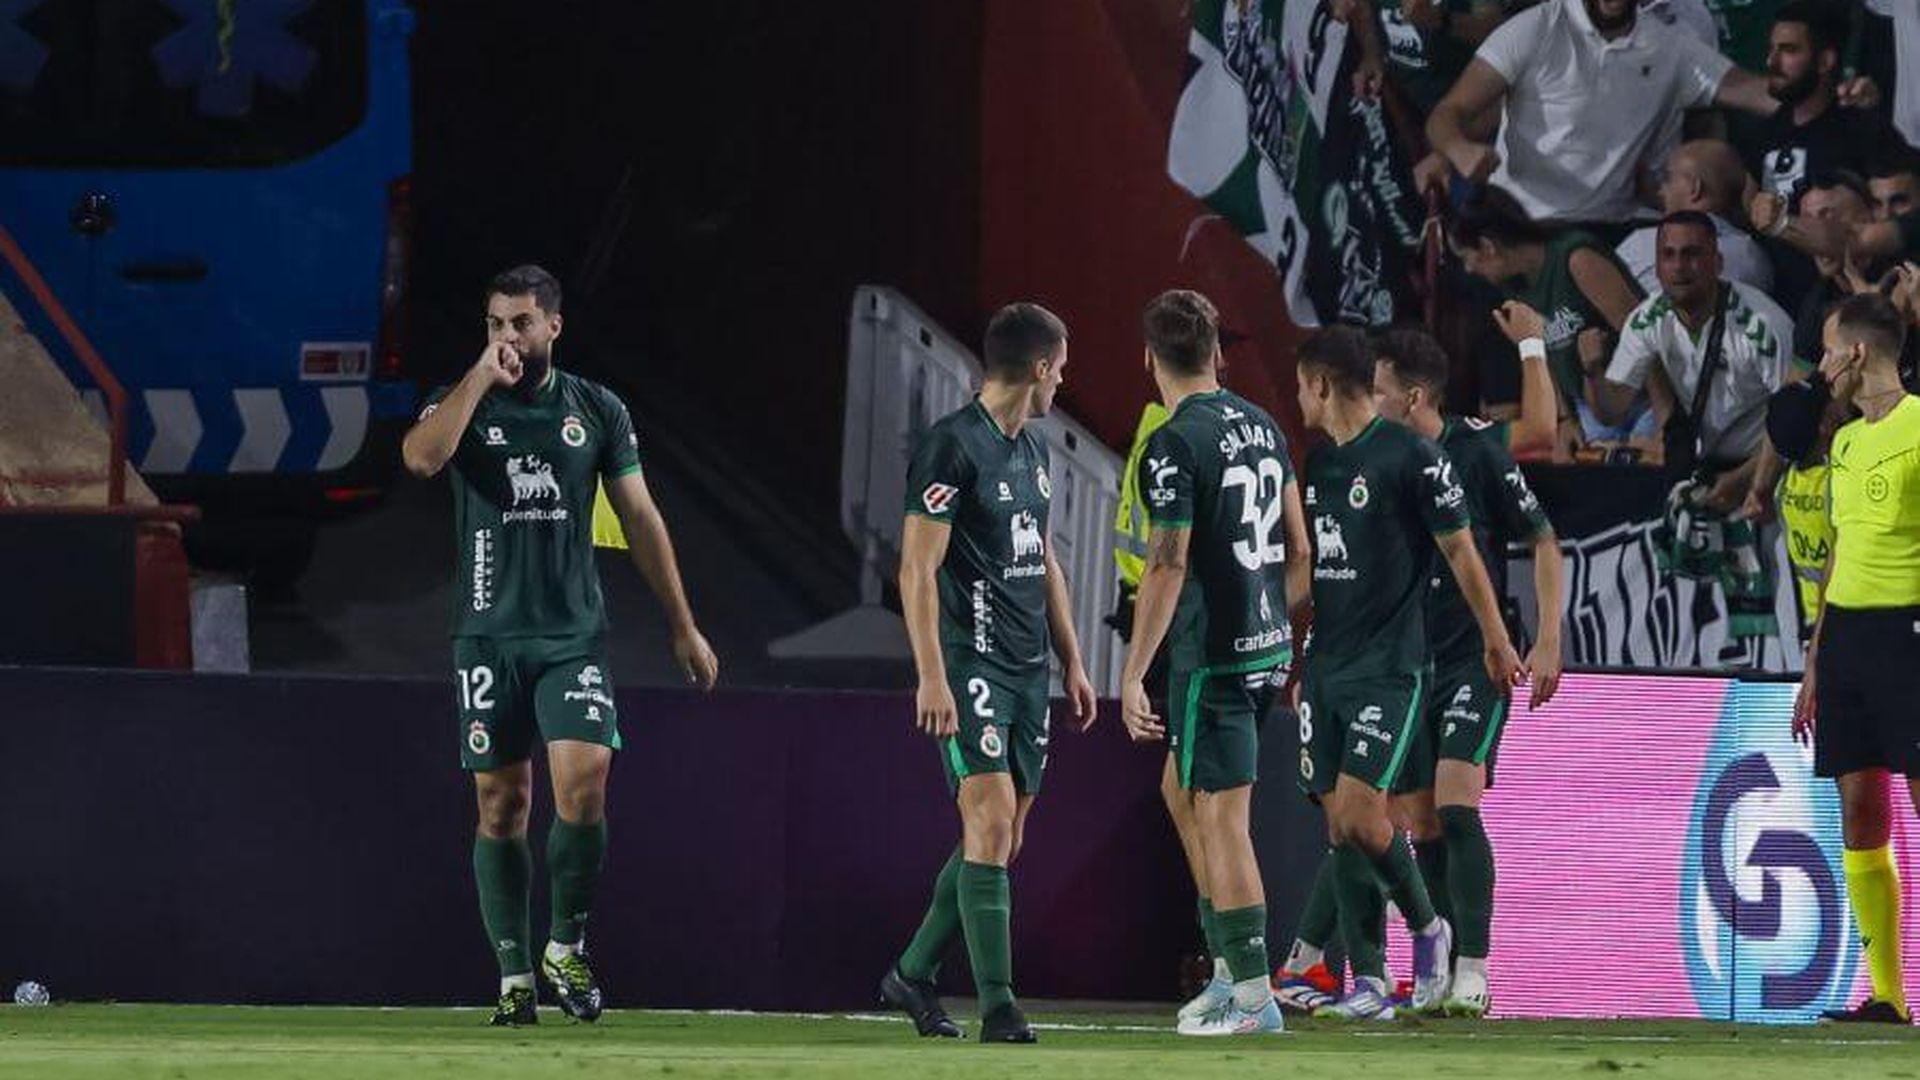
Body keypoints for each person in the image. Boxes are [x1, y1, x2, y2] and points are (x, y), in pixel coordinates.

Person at [400, 264, 721, 1027]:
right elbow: (420, 458)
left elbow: (639, 516)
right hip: (485, 636)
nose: (506, 337)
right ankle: (514, 976)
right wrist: (477, 378)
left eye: (519, 323)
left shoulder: (596, 410)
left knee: (585, 778)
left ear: (553, 327)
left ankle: (564, 946)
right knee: (501, 804)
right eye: (493, 324)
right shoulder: (464, 402)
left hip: (572, 636)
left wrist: (682, 623)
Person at [879, 302, 1099, 1045]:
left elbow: (1046, 563)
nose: (1063, 383)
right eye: (1061, 369)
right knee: (991, 818)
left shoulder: (1033, 454)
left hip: (1029, 669)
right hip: (971, 663)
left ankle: (910, 974)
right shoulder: (950, 447)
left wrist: (1072, 658)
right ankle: (1000, 1006)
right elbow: (916, 567)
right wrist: (931, 676)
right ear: (1038, 368)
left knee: (1001, 841)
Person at [1291, 325, 1524, 1020]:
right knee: (1342, 829)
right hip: (1326, 665)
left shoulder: (1415, 457)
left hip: (1391, 668)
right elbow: (1318, 571)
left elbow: (1461, 554)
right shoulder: (1323, 464)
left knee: (1373, 815)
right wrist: (1273, 627)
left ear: (1324, 384)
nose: (1299, 397)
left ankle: (1432, 932)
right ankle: (1365, 979)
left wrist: (1494, 637)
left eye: (1302, 384)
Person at [1116, 289, 1308, 1037]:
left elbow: (1164, 568)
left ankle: (1255, 996)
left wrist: (1135, 671)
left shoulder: (1174, 438)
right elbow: (1302, 551)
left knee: (1222, 818)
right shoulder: (1262, 424)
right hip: (1265, 649)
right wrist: (1267, 613)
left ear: (1149, 358)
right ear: (1217, 352)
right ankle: (1229, 971)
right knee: (1180, 790)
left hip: (1214, 656)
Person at [1373, 324, 1564, 1018]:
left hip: (1473, 654)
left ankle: (1477, 968)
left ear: (1413, 395)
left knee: (1457, 802)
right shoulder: (1374, 459)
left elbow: (1544, 539)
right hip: (1402, 661)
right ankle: (1443, 967)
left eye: (1379, 390)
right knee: (1420, 824)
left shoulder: (1476, 447)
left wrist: (1547, 638)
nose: (1369, 402)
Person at [1794, 287, 1920, 1024]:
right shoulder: (1843, 441)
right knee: (1859, 809)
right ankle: (1888, 995)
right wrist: (1815, 664)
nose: (1821, 365)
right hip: (1847, 641)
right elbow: (1839, 555)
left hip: (1909, 632)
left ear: (1857, 353)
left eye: (1826, 349)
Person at [1420, 0, 1785, 227]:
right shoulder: (1535, 28)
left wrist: (1827, 95)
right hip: (1520, 224)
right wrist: (1457, 150)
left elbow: (1753, 91)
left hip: (1611, 231)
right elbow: (1448, 112)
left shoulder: (1671, 47)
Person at [1596, 212, 1796, 517]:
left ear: (1717, 262)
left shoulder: (1762, 325)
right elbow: (1612, 412)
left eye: (1691, 254)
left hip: (1765, 467)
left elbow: (1797, 421)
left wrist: (1749, 482)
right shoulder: (1646, 320)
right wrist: (1593, 367)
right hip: (1701, 469)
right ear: (1657, 267)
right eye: (1668, 255)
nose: (1678, 267)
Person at [1448, 185, 1645, 460]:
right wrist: (1566, 420)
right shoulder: (1513, 287)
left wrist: (1666, 420)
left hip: (1642, 400)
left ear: (1488, 247)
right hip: (1592, 406)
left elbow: (1645, 337)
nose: (1468, 269)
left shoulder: (1575, 258)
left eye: (1466, 257)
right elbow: (1545, 353)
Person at [1740, 2, 1891, 211]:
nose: (1771, 62)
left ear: (1824, 61)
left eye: (1788, 50)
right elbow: (1749, 211)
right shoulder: (1766, 133)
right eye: (1771, 49)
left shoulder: (1859, 133)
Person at [1616, 140, 1775, 297]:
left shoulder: (1643, 245)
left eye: (1668, 178)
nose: (1662, 191)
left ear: (1695, 188)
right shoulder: (1757, 260)